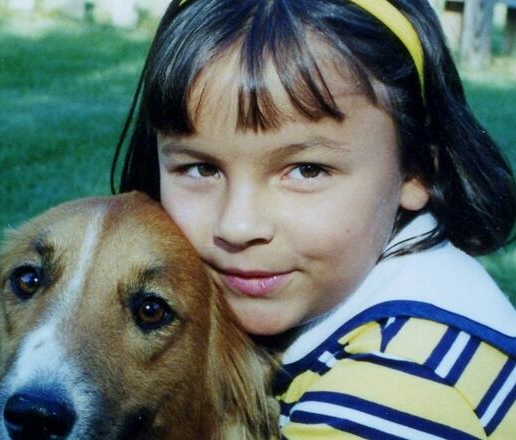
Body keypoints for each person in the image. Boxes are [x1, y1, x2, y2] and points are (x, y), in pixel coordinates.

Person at [111, 0, 516, 438]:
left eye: (307, 170)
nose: (238, 226)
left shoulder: (395, 383)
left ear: (417, 169)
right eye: (201, 168)